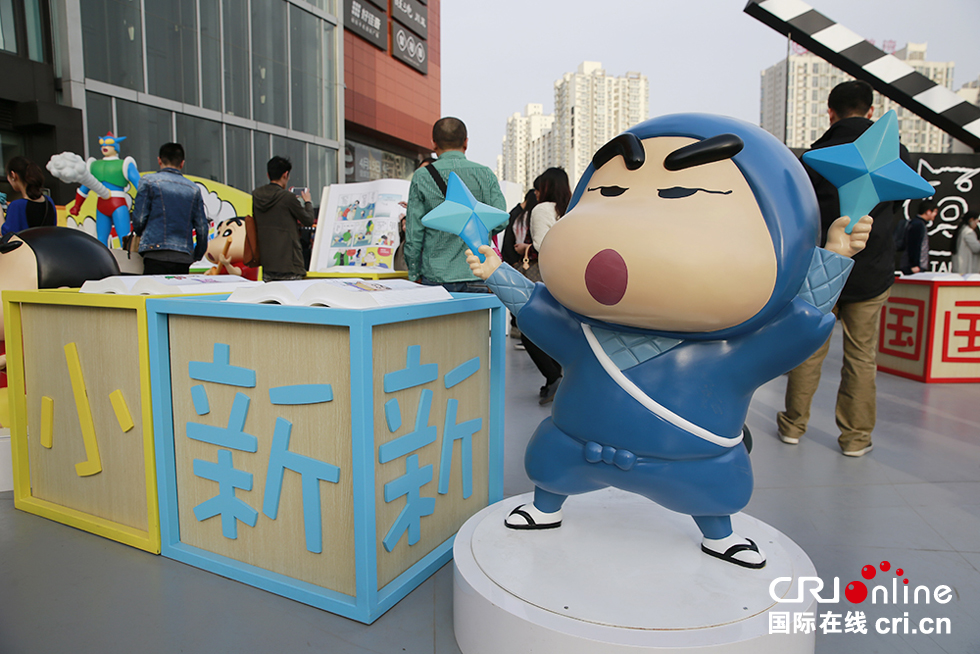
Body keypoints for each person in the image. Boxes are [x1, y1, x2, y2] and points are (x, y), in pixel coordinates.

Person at [777, 80, 911, 458]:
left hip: (824, 268)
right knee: (861, 356)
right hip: (873, 273)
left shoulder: (816, 154)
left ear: (830, 113)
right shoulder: (896, 154)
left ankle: (793, 425)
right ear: (871, 111)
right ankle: (855, 438)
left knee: (808, 349)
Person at [404, 117, 506, 292]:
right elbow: (501, 220)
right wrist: (475, 229)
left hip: (436, 275)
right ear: (466, 142)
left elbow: (414, 234)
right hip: (478, 272)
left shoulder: (422, 176)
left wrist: (414, 273)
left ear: (434, 143)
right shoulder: (485, 174)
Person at [522, 168, 571, 404]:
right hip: (573, 280)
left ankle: (553, 378)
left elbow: (543, 245)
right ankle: (560, 380)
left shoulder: (542, 209)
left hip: (548, 279)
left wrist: (527, 249)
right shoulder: (574, 209)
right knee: (562, 330)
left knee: (529, 329)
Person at [130, 143, 209, 275]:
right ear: (182, 163)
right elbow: (202, 228)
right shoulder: (193, 189)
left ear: (159, 160)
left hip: (155, 252)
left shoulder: (148, 182)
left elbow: (139, 219)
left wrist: (139, 232)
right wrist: (197, 254)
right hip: (183, 256)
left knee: (153, 287)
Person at [252, 156, 314, 281]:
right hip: (289, 265)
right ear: (285, 175)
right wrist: (307, 202)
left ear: (268, 175)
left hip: (267, 263)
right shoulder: (287, 198)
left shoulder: (256, 195)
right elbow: (308, 220)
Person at [1, 157, 57, 236]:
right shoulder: (49, 201)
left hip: (26, 244)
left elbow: (7, 235)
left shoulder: (17, 206)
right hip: (46, 244)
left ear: (13, 175)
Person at [901, 199, 938, 275]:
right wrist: (914, 265)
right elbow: (914, 245)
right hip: (914, 267)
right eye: (935, 212)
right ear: (928, 211)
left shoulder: (918, 224)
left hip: (915, 266)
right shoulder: (918, 225)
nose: (936, 214)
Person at [951, 210, 980, 274]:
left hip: (960, 267)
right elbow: (976, 248)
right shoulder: (968, 232)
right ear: (971, 220)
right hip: (965, 268)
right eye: (976, 221)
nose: (977, 224)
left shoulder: (961, 230)